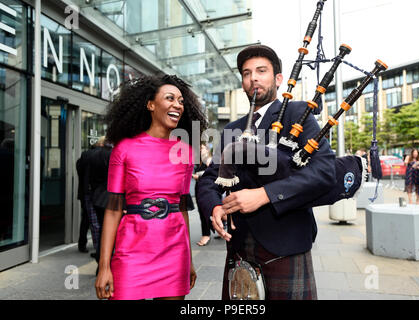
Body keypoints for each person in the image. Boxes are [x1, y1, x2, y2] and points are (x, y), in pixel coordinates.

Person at [196, 45, 336, 300]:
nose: (254, 78)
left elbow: (325, 171)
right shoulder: (232, 129)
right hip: (238, 245)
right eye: (247, 73)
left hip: (285, 242)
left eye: (262, 70)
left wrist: (264, 195)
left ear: (279, 79)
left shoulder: (299, 114)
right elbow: (209, 179)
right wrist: (214, 207)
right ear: (242, 83)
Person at [95, 74, 207, 300]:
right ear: (150, 104)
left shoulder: (185, 152)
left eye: (181, 101)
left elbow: (182, 208)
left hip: (174, 253)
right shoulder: (124, 149)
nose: (177, 104)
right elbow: (114, 209)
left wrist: (189, 261)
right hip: (131, 251)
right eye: (169, 98)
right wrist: (104, 266)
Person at [86, 136, 112, 266]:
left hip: (96, 196)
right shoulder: (113, 155)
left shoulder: (90, 156)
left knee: (101, 228)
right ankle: (106, 261)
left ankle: (100, 260)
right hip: (112, 197)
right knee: (111, 229)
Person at [192, 144, 213, 246]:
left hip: (208, 188)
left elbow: (212, 173)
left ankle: (206, 235)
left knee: (206, 211)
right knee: (202, 212)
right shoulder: (198, 162)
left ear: (207, 149)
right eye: (199, 149)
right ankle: (209, 231)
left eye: (202, 149)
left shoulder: (209, 160)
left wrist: (198, 175)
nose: (200, 151)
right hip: (198, 187)